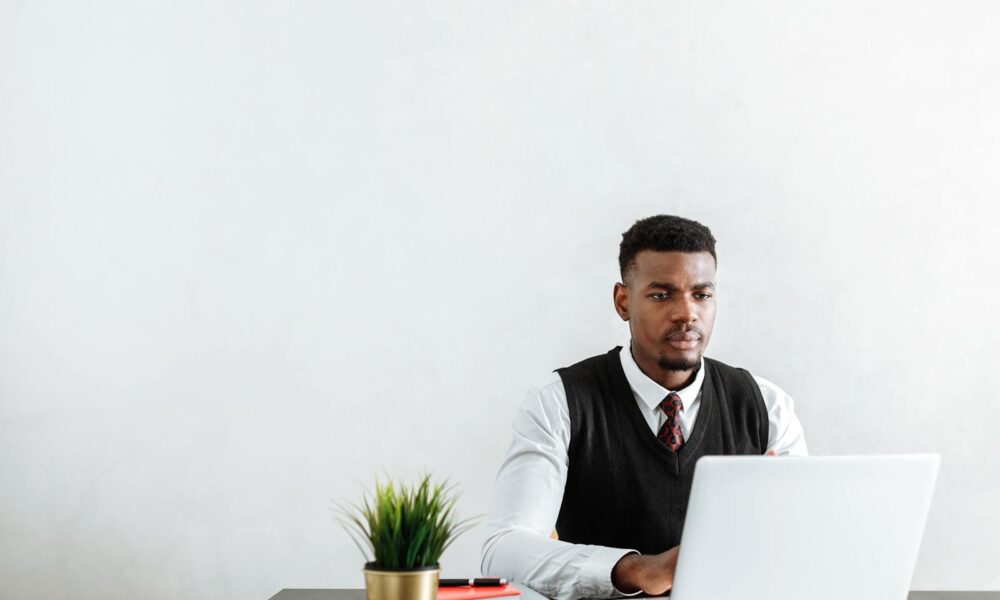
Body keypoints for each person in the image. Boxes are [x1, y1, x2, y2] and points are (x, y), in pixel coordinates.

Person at [480, 215, 808, 600]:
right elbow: (502, 549)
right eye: (662, 294)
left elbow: (802, 548)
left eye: (701, 294)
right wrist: (634, 570)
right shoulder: (560, 403)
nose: (686, 313)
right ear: (623, 301)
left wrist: (780, 521)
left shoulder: (767, 406)